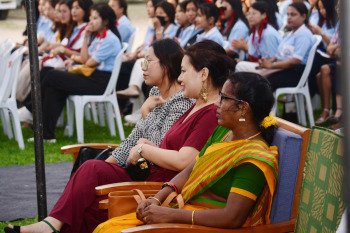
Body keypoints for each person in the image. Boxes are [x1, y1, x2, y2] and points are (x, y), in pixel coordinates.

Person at [4, 39, 234, 233]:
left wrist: (144, 147)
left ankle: (50, 226)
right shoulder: (193, 104)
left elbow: (185, 160)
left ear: (203, 74)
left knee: (89, 188)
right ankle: (51, 225)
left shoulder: (202, 111)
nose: (180, 77)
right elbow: (139, 139)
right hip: (146, 173)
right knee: (91, 175)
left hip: (157, 185)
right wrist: (141, 135)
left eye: (184, 72)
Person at [93, 72, 279, 233]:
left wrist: (170, 215)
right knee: (107, 227)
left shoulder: (253, 158)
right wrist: (157, 199)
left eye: (224, 99)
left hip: (207, 226)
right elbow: (190, 170)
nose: (217, 104)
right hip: (185, 212)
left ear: (243, 107)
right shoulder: (224, 132)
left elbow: (232, 218)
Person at [25, 2, 122, 142]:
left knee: (51, 75)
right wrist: (86, 36)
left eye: (95, 18)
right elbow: (84, 58)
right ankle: (46, 135)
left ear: (105, 21)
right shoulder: (99, 36)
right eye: (91, 18)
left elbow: (88, 62)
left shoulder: (110, 39)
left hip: (100, 82)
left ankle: (31, 110)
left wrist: (79, 58)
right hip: (91, 76)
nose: (91, 22)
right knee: (53, 83)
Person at [235, 2, 281, 69]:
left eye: (254, 13)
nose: (250, 16)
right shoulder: (255, 31)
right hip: (260, 65)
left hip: (270, 68)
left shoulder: (268, 34)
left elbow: (272, 60)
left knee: (239, 66)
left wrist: (245, 48)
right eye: (249, 13)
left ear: (264, 15)